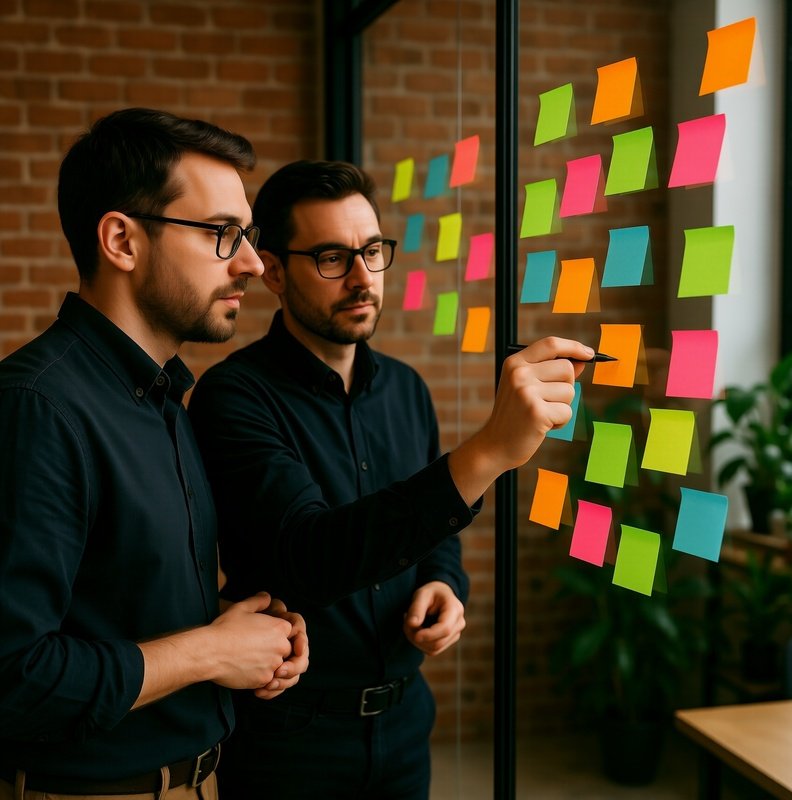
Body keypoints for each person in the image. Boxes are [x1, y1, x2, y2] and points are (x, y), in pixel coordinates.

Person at [187, 159, 593, 799]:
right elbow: (310, 557)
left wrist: (444, 583)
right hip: (290, 740)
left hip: (406, 724)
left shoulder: (406, 388)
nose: (362, 278)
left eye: (372, 252)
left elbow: (435, 534)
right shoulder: (233, 397)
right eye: (331, 258)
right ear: (273, 271)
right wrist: (489, 451)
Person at [0, 108, 309, 800]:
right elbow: (14, 677)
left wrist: (247, 633)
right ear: (122, 241)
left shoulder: (162, 398)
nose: (251, 263)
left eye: (249, 236)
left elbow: (117, 604)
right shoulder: (37, 408)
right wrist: (209, 652)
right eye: (222, 233)